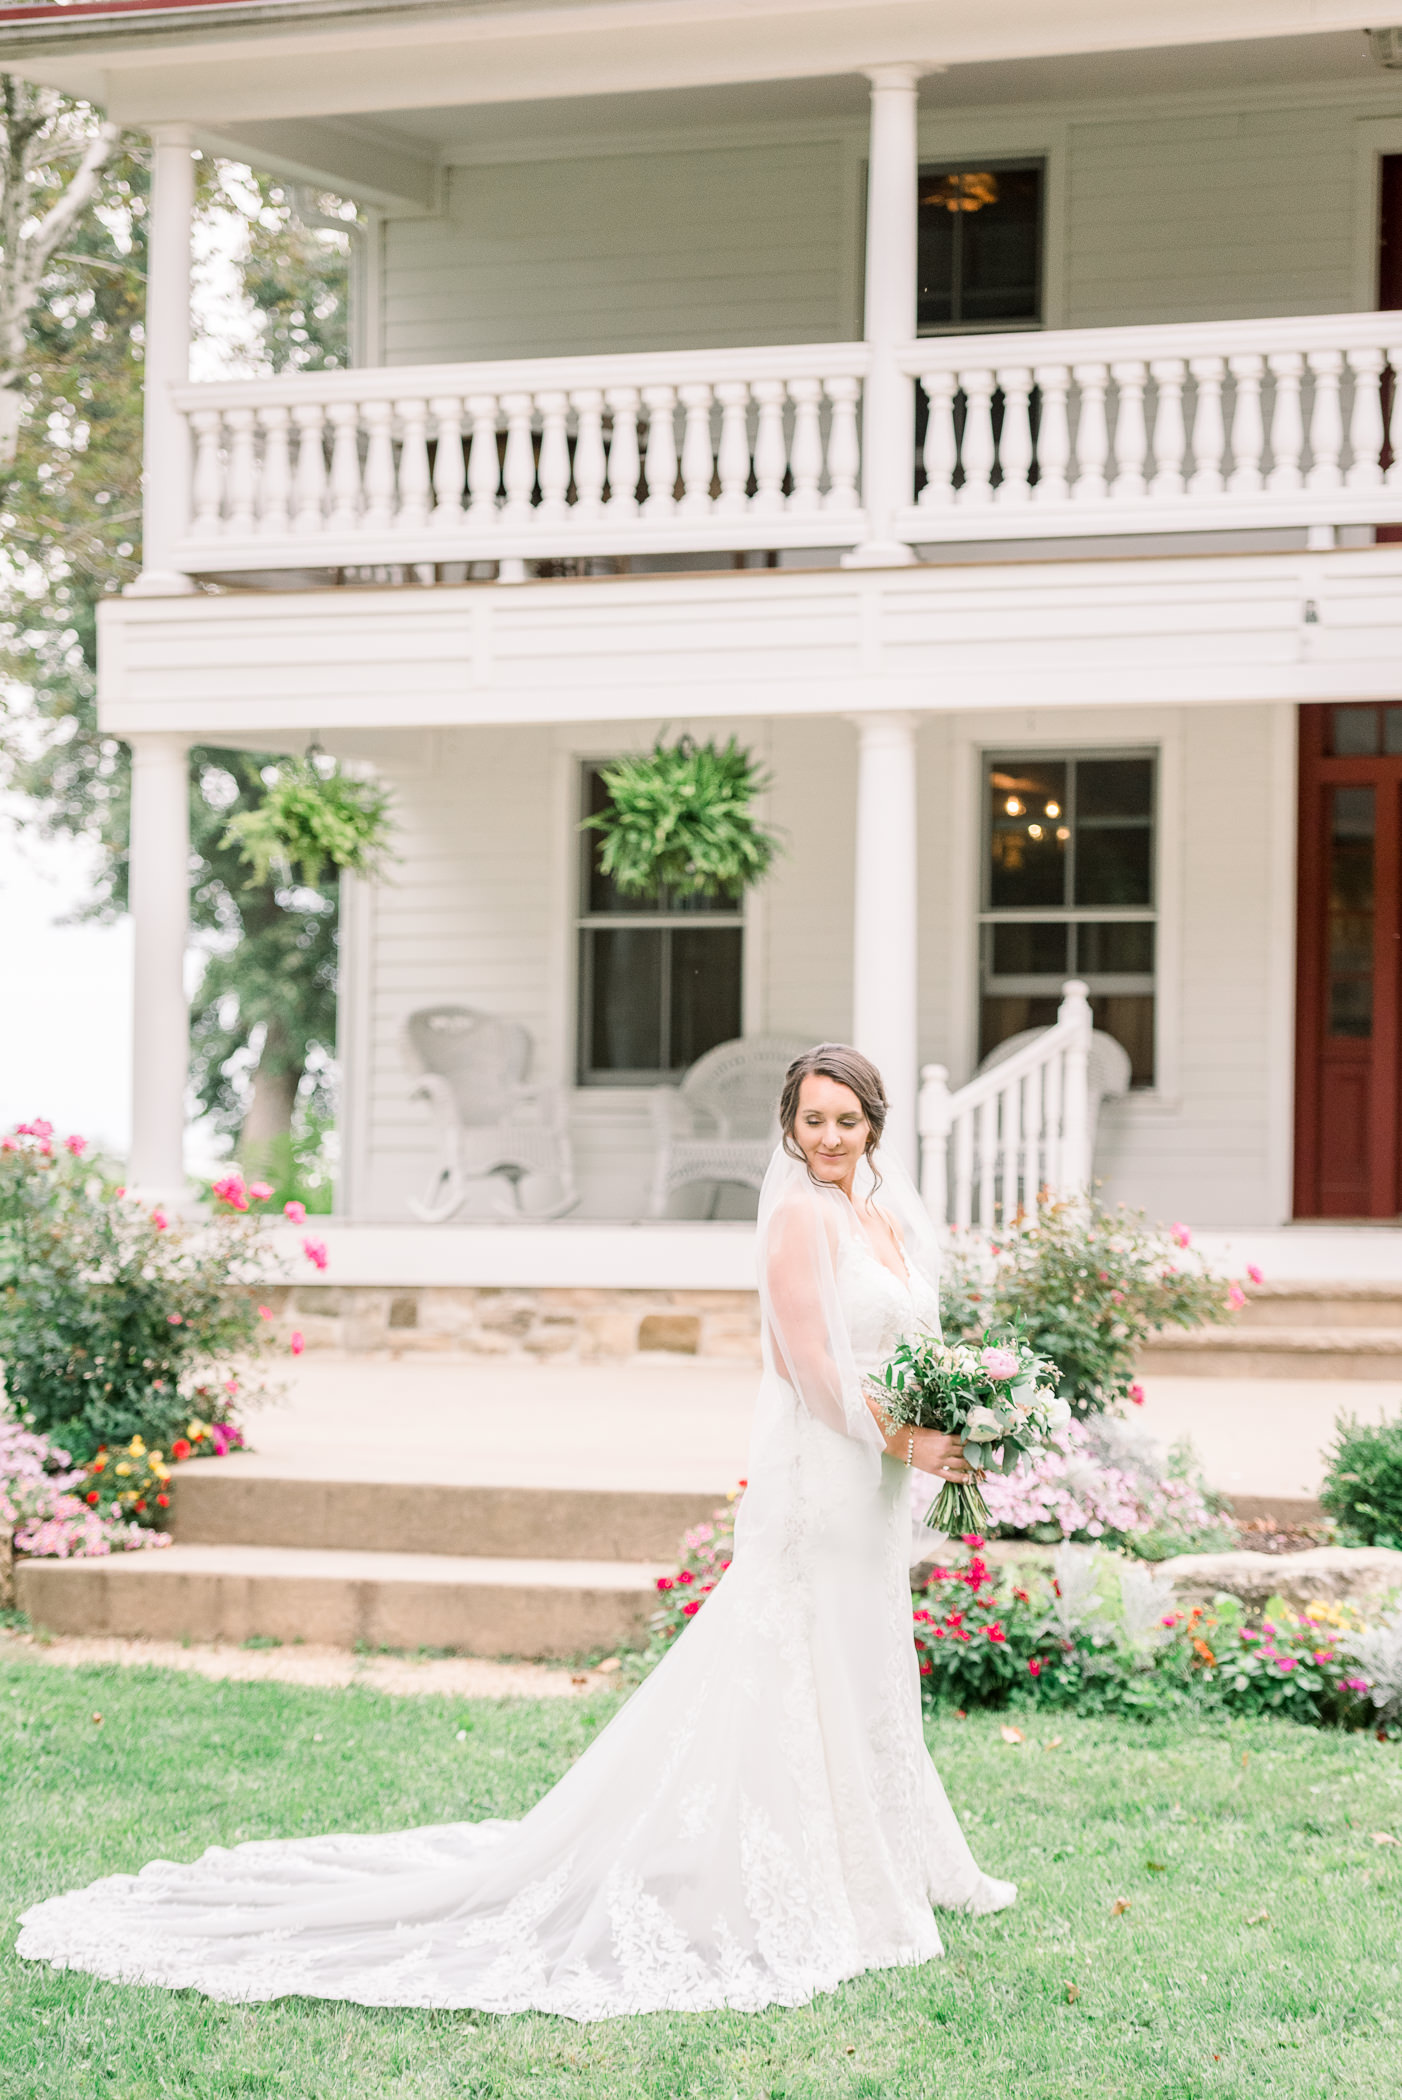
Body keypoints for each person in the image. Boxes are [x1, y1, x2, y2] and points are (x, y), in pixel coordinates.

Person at [18, 1044, 1014, 2018]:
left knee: (865, 1655)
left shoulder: (881, 1217)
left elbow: (908, 1346)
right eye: (813, 1121)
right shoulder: (799, 1219)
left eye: (846, 1120)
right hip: (831, 1474)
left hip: (878, 1479)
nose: (831, 1136)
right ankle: (799, 1872)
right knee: (806, 1659)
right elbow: (806, 1366)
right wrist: (910, 1442)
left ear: (872, 1124)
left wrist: (951, 1413)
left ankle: (882, 1858)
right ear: (789, 1131)